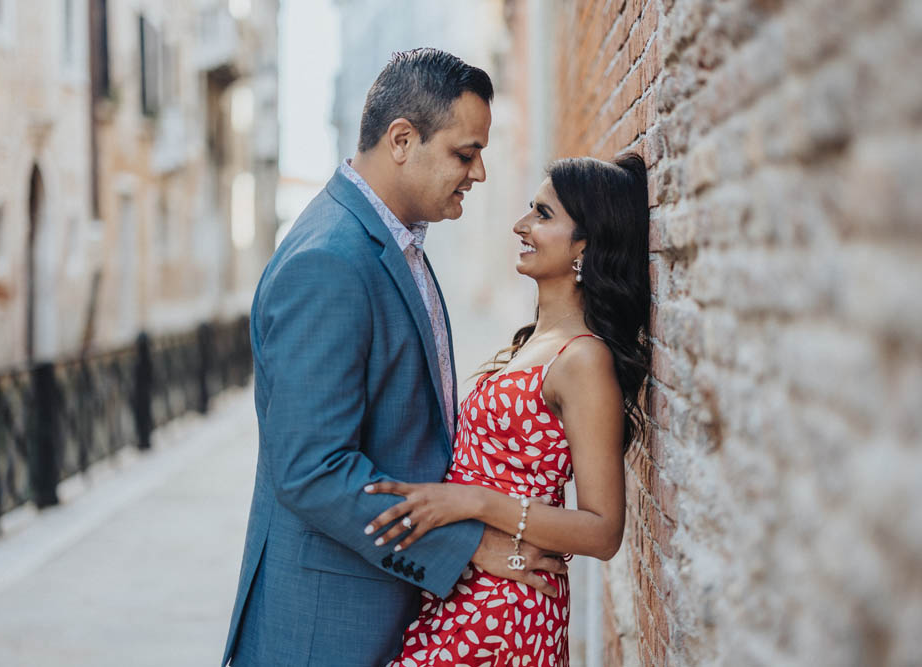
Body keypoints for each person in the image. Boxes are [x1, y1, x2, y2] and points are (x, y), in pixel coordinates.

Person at [222, 48, 567, 667]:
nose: (480, 174)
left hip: (384, 610)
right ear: (402, 139)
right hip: (326, 630)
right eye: (466, 153)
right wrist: (467, 545)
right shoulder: (328, 261)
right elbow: (313, 469)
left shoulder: (393, 241)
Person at [363, 152, 651, 666]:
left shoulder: (583, 359)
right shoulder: (538, 340)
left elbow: (604, 530)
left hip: (505, 609)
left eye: (542, 215)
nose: (521, 226)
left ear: (585, 244)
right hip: (463, 588)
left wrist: (475, 503)